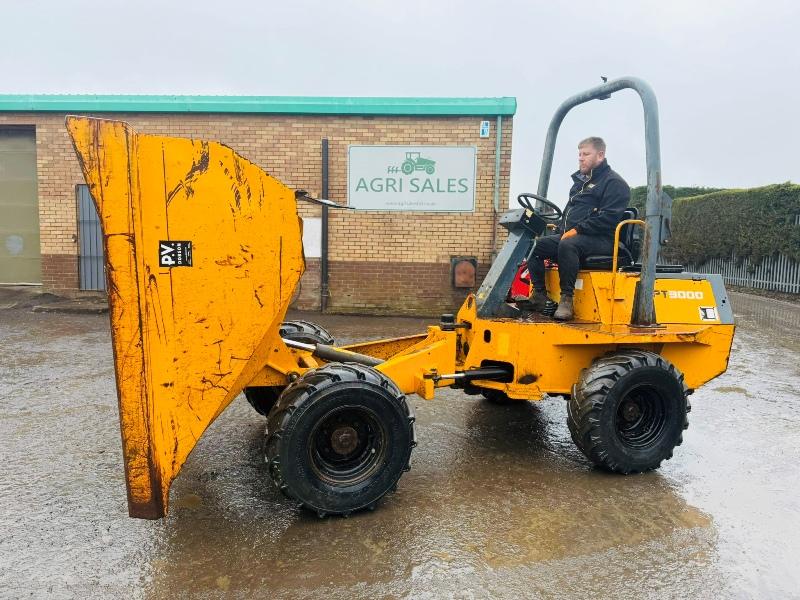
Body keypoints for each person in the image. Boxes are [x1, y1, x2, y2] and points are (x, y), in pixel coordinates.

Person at [527, 137, 630, 321]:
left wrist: (577, 230)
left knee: (568, 244)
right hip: (576, 236)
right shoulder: (580, 183)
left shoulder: (614, 183)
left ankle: (567, 299)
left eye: (586, 154)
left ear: (600, 155)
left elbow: (607, 218)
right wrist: (560, 230)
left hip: (604, 240)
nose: (581, 158)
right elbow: (570, 213)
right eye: (580, 154)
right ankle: (539, 295)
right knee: (533, 246)